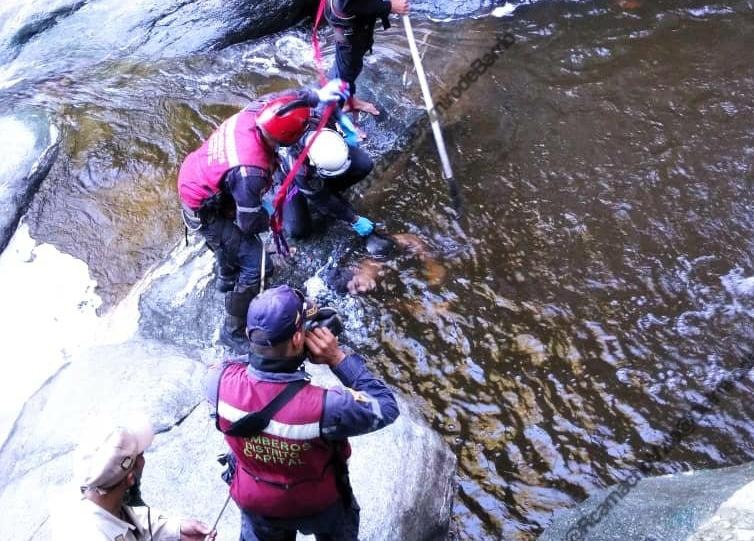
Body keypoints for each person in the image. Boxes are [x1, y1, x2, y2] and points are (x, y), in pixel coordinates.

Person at [204, 285, 400, 540]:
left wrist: (279, 355)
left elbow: (247, 363)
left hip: (258, 500)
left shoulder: (216, 381)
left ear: (249, 334)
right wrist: (337, 358)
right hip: (318, 504)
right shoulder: (327, 406)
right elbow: (386, 406)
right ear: (299, 339)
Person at [177, 79, 349, 354]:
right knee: (256, 262)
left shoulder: (255, 112)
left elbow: (284, 97)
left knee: (230, 245)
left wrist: (316, 96)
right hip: (204, 205)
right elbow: (248, 223)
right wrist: (271, 217)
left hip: (201, 176)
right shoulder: (251, 171)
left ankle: (226, 278)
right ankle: (232, 331)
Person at [54, 418, 216, 541]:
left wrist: (176, 528)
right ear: (130, 478)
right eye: (141, 456)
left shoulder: (92, 488)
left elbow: (129, 519)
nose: (143, 461)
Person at [279, 109, 377, 241]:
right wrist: (354, 219)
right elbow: (321, 198)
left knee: (363, 164)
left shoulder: (319, 117)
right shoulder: (300, 169)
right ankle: (310, 198)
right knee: (298, 230)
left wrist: (348, 127)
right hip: (285, 176)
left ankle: (331, 192)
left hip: (320, 148)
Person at [325, 0, 410, 115]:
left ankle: (347, 100)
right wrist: (389, 6)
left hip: (356, 21)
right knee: (346, 69)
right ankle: (336, 113)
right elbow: (347, 5)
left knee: (352, 65)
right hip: (348, 24)